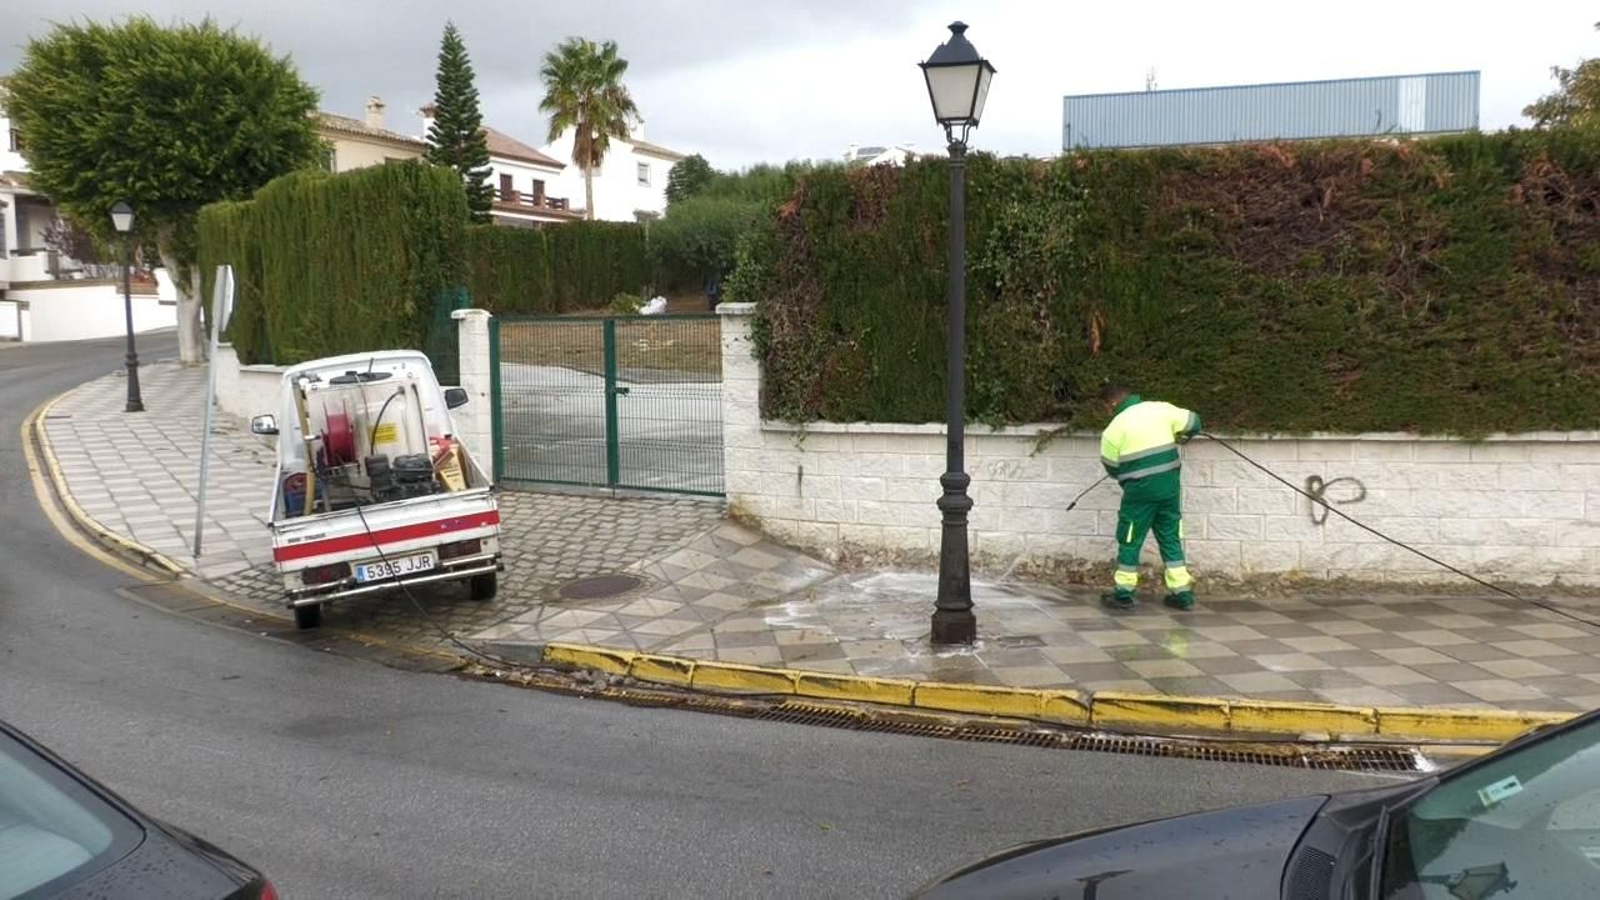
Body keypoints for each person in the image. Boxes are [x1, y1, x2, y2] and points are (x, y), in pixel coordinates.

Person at [1098, 385, 1202, 611]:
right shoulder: (1160, 409)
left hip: (1139, 494)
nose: (1106, 412)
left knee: (1130, 539)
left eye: (1106, 407)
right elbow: (1195, 422)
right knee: (1170, 538)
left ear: (1113, 403)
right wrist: (1182, 436)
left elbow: (1112, 469)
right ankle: (1182, 594)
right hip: (1169, 489)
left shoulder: (1113, 429)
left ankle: (1123, 594)